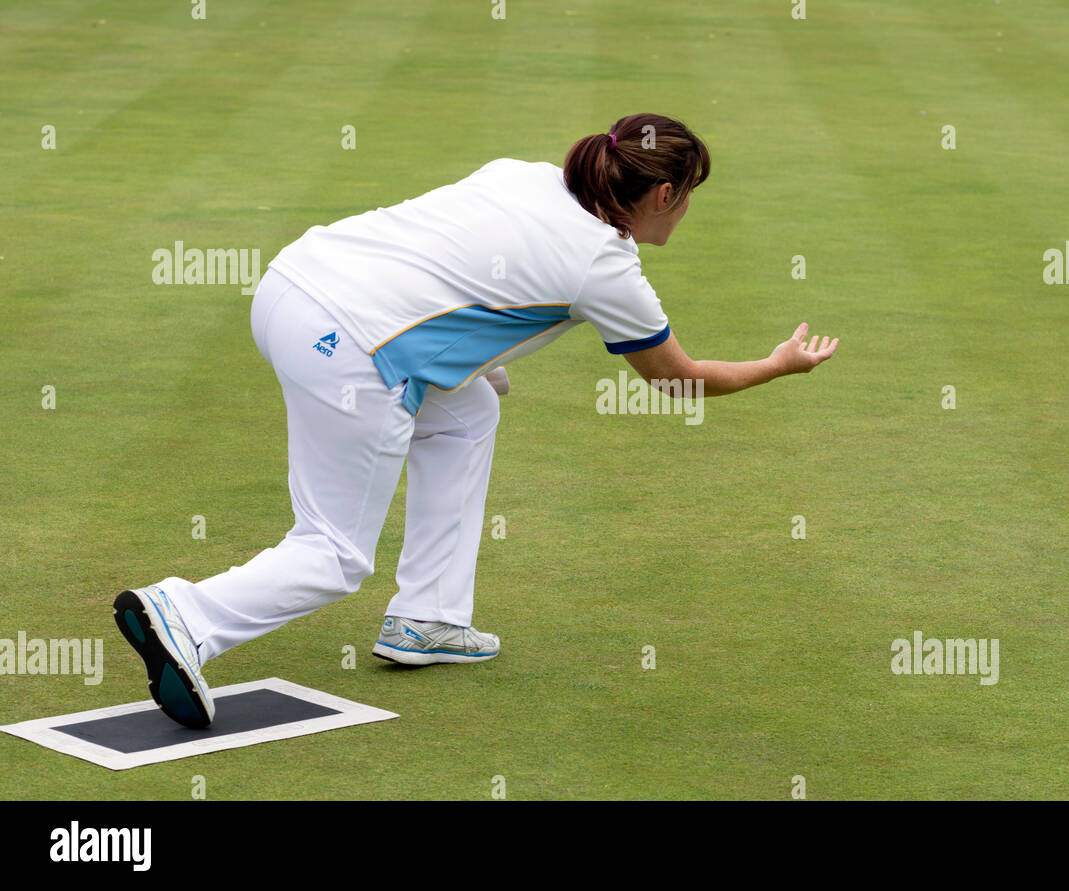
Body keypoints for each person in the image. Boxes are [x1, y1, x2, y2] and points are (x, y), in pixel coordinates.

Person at [112, 113, 840, 728]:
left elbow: (454, 265)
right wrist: (778, 365)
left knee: (467, 409)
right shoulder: (606, 268)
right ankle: (186, 616)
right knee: (334, 552)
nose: (686, 212)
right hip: (348, 346)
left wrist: (467, 356)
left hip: (290, 285)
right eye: (688, 199)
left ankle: (428, 616)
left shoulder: (526, 174)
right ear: (662, 193)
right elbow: (678, 381)